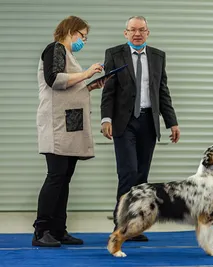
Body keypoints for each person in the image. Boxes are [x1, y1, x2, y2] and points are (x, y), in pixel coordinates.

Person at [100, 16, 180, 241]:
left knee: (142, 177)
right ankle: (120, 227)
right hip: (123, 123)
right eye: (132, 30)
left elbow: (162, 91)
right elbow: (109, 91)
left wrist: (171, 121)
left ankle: (134, 227)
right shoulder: (114, 54)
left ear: (148, 32)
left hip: (148, 122)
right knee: (128, 173)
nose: (137, 33)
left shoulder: (157, 56)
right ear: (125, 33)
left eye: (141, 30)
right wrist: (106, 118)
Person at [34, 15, 108, 247]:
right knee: (55, 178)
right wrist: (87, 74)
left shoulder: (69, 55)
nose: (83, 41)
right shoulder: (54, 49)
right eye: (82, 36)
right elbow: (54, 79)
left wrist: (90, 86)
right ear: (70, 31)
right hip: (56, 125)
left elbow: (70, 87)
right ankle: (41, 230)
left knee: (64, 179)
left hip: (70, 125)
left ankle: (58, 229)